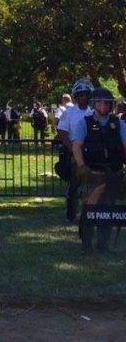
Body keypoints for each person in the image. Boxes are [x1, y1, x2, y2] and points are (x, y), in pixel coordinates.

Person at [71, 87, 126, 253]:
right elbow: (76, 146)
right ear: (94, 104)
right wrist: (82, 167)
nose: (104, 105)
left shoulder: (119, 123)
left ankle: (103, 244)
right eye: (100, 102)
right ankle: (86, 244)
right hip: (92, 174)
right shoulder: (84, 122)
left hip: (113, 173)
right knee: (89, 209)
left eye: (107, 103)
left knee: (108, 210)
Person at [57, 79, 94, 222]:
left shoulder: (94, 112)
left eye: (85, 94)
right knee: (74, 185)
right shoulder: (69, 112)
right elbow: (62, 132)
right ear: (76, 96)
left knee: (92, 185)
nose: (82, 97)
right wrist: (73, 150)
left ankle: (90, 214)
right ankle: (71, 214)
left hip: (92, 152)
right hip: (73, 153)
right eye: (79, 95)